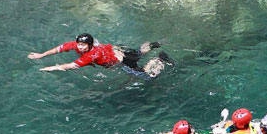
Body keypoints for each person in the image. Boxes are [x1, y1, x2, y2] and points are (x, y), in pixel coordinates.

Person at [28, 33, 172, 78]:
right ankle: (156, 43)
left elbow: (70, 66)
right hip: (118, 50)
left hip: (121, 60)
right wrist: (41, 55)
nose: (79, 46)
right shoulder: (76, 44)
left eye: (83, 45)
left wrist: (50, 68)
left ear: (90, 45)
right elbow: (59, 49)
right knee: (139, 52)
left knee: (145, 76)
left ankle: (160, 58)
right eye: (79, 44)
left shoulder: (91, 55)